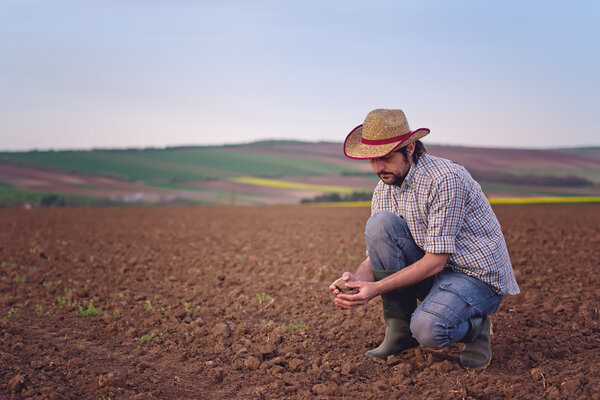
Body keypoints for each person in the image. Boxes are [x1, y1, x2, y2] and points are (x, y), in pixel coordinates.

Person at [329, 109, 519, 369]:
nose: (378, 168)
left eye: (385, 158)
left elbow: (435, 262)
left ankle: (476, 328)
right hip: (434, 271)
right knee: (380, 223)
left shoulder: (444, 180)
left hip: (475, 276)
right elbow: (377, 254)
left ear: (410, 149)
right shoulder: (385, 187)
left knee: (429, 331)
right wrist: (355, 281)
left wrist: (374, 289)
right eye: (373, 160)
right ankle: (399, 335)